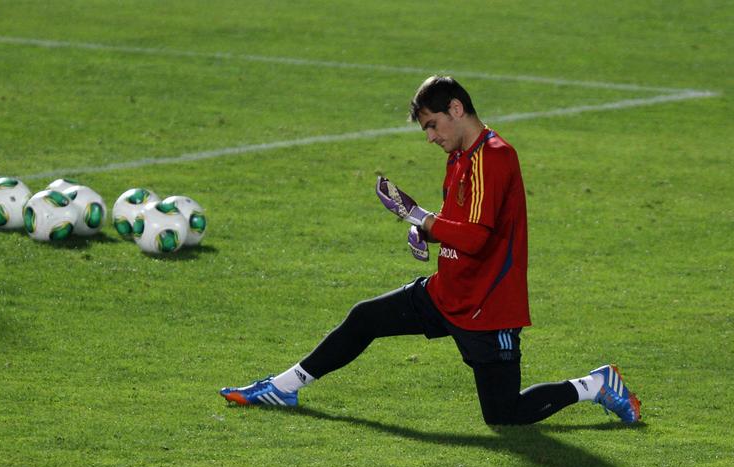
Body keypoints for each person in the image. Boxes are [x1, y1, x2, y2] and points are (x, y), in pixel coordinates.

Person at [220, 75, 641, 425]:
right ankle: (283, 388)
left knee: (503, 414)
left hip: (486, 309)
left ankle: (596, 385)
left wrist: (418, 217)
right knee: (365, 317)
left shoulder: (494, 157)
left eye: (432, 125)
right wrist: (427, 230)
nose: (430, 137)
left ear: (457, 109)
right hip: (447, 293)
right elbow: (457, 222)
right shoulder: (459, 157)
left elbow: (477, 237)